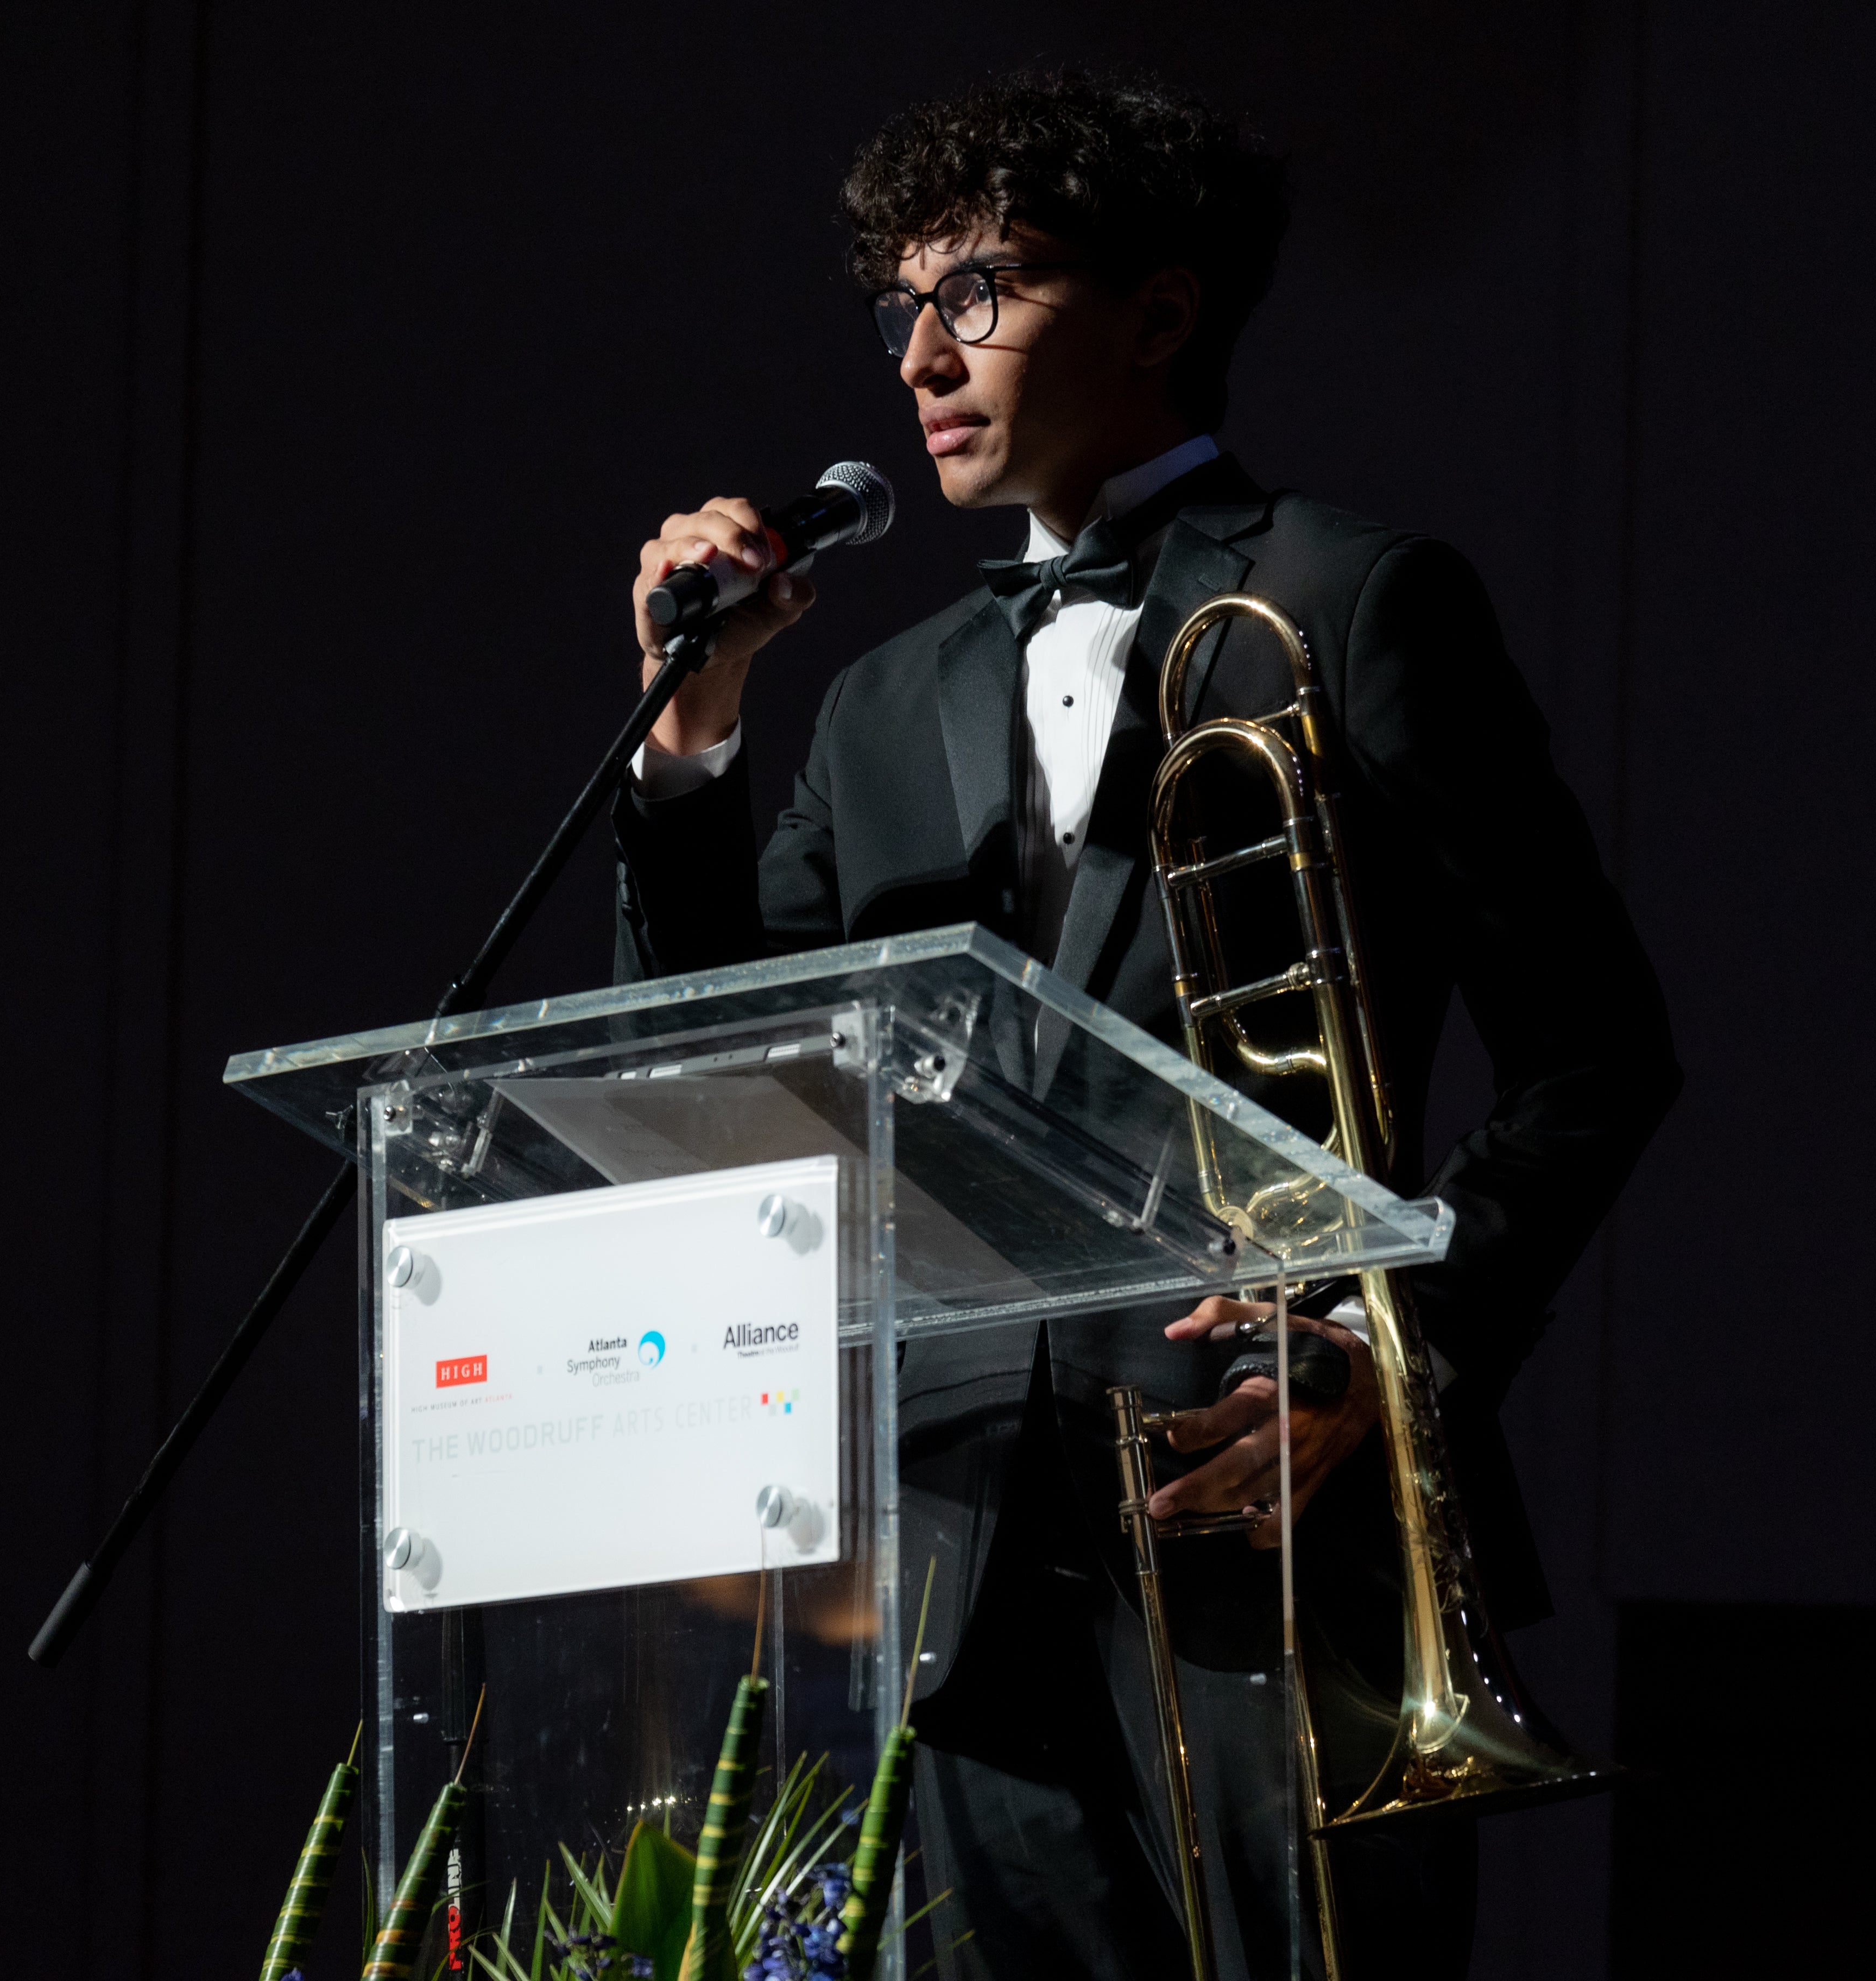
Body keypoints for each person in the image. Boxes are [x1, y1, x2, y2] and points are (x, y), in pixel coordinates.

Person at [610, 70, 1678, 1980]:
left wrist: (1392, 1352)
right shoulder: (878, 703)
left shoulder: (1351, 597)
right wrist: (691, 733)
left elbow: (1595, 1048)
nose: (923, 357)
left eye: (980, 292)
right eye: (902, 308)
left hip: (1272, 1498)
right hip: (956, 1549)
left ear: (1161, 312)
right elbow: (706, 1072)